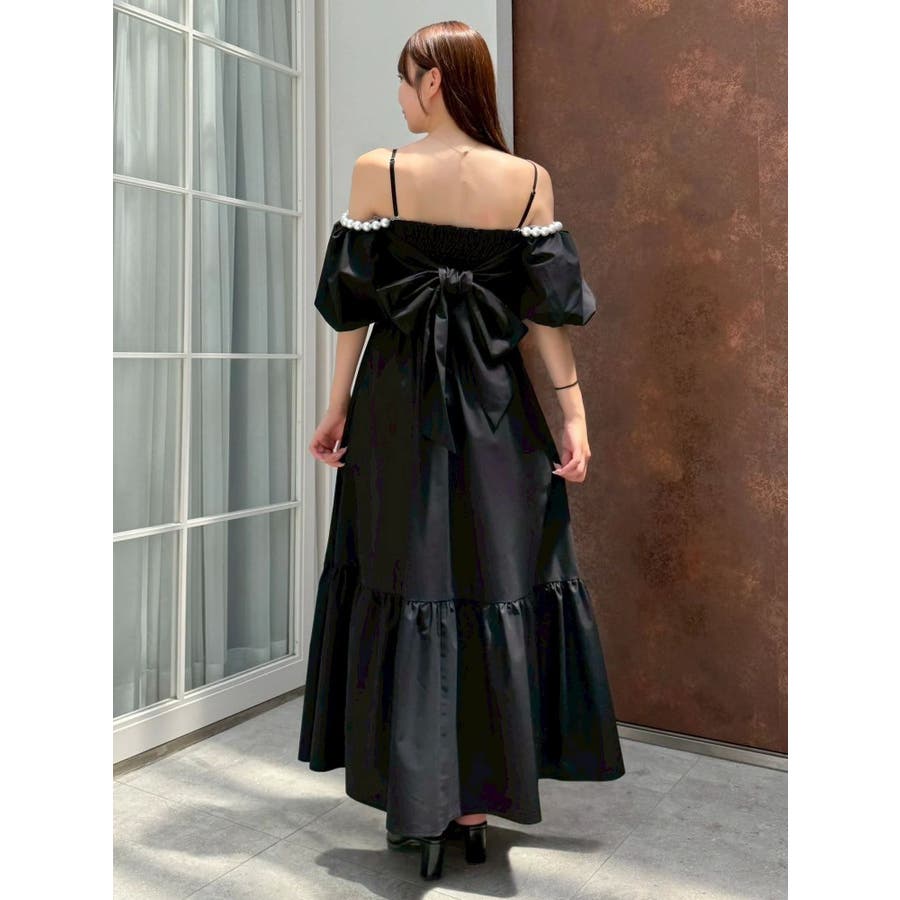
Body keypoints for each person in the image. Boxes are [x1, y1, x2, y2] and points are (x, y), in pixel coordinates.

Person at [298, 20, 625, 882]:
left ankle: (417, 806)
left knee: (405, 579)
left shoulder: (379, 172)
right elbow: (547, 320)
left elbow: (353, 309)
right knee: (490, 581)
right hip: (496, 414)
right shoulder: (528, 183)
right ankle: (474, 807)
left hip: (395, 413)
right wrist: (572, 419)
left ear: (435, 81)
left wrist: (336, 409)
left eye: (405, 77)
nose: (400, 94)